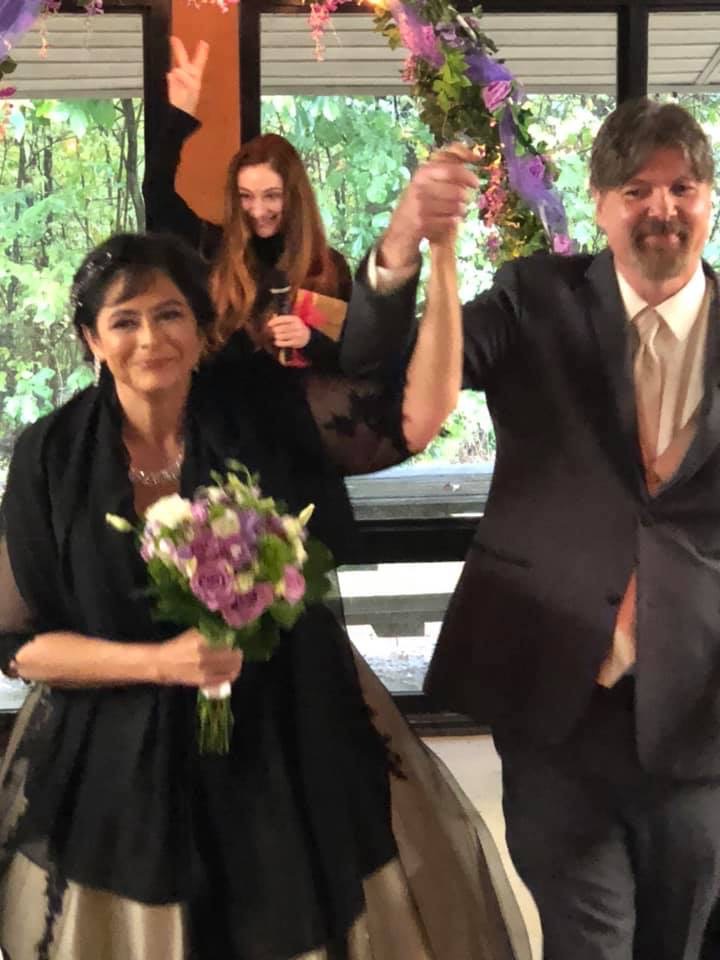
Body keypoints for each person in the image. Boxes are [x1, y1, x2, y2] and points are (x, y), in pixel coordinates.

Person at [0, 231, 532, 960]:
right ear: (92, 340)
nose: (150, 339)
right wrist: (162, 664)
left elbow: (414, 416)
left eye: (170, 314)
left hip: (286, 743)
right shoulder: (49, 455)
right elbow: (19, 646)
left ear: (200, 327)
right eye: (124, 321)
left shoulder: (263, 411)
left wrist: (435, 256)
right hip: (119, 770)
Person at [342, 97, 720, 960]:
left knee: (683, 940)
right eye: (636, 190)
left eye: (682, 188)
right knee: (590, 942)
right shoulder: (535, 298)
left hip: (702, 711)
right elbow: (381, 373)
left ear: (709, 199)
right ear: (599, 204)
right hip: (557, 701)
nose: (661, 208)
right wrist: (407, 246)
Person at [143, 37, 352, 371]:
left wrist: (311, 341)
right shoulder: (212, 250)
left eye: (272, 196)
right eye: (246, 196)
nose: (258, 211)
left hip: (298, 403)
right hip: (219, 403)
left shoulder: (326, 269)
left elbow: (352, 364)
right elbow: (156, 192)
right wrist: (179, 116)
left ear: (294, 196)